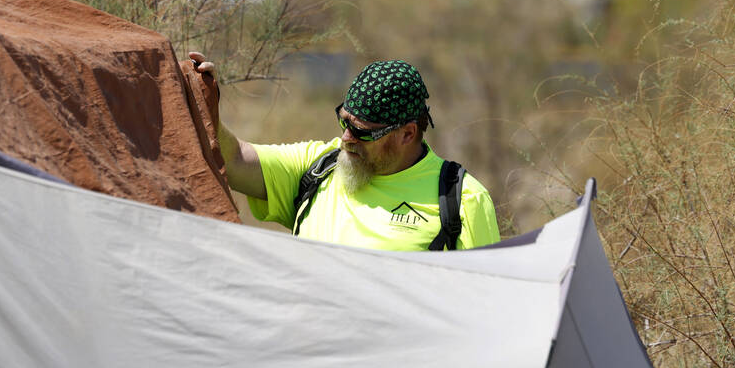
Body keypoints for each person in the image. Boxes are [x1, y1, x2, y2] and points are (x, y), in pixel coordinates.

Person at [189, 51, 501, 251]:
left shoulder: (461, 200)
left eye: (363, 132)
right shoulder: (318, 167)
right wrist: (206, 108)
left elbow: (485, 306)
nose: (346, 139)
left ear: (407, 134)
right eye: (344, 122)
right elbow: (231, 159)